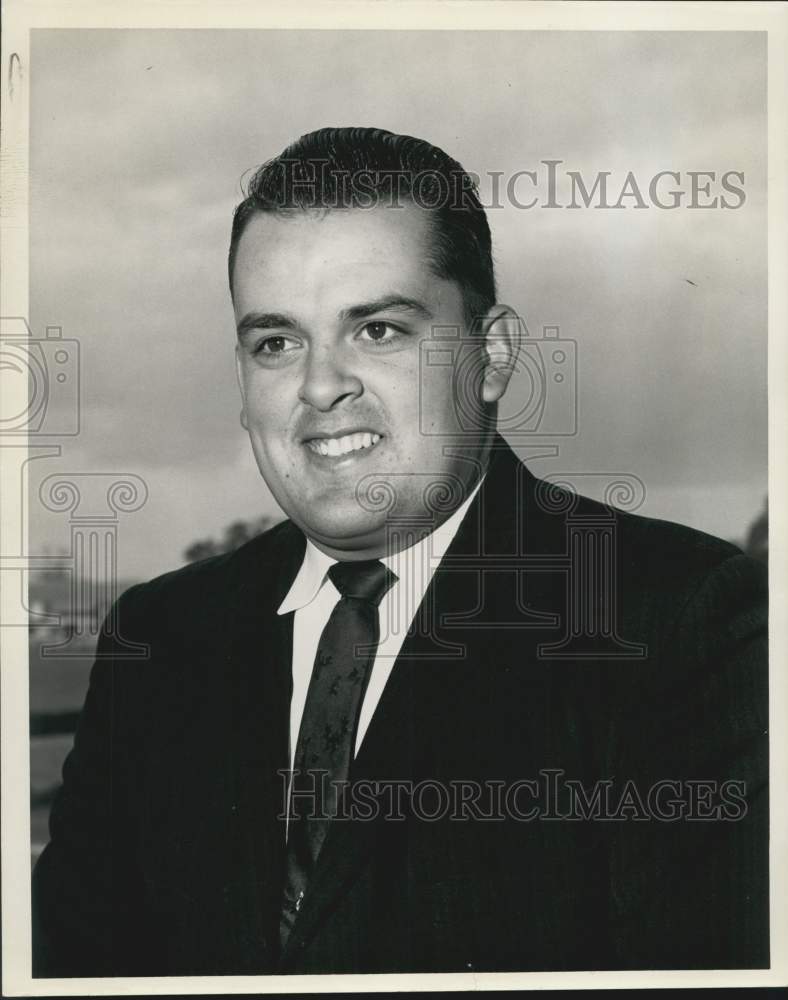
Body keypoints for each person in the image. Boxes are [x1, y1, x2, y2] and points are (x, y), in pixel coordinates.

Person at [32, 127, 768, 977]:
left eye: (377, 330)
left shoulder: (680, 621)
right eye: (276, 342)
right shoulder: (157, 639)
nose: (318, 387)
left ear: (492, 355)